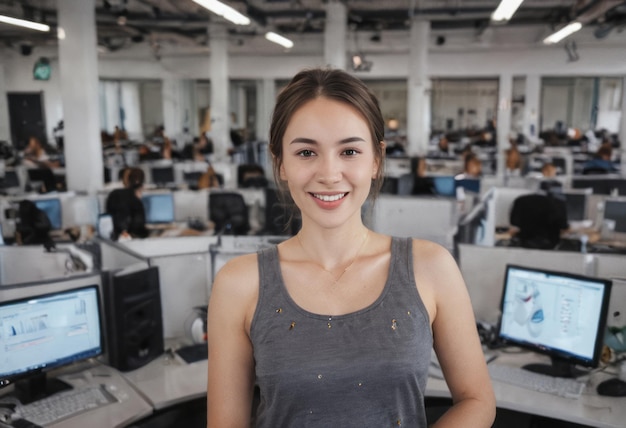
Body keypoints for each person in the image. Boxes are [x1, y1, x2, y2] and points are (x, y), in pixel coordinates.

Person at [206, 68, 495, 427]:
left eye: (350, 151)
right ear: (280, 163)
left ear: (375, 160)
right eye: (307, 151)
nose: (329, 173)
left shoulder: (430, 266)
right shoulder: (239, 283)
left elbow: (477, 399)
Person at [508, 180, 569, 250]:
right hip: (550, 244)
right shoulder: (559, 203)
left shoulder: (520, 200)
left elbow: (514, 222)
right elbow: (563, 226)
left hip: (524, 242)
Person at [105, 167, 149, 241]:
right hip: (129, 240)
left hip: (113, 238)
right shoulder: (136, 202)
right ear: (142, 186)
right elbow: (139, 229)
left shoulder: (113, 194)